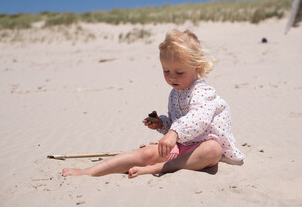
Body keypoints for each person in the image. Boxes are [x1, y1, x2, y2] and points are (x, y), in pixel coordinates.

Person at [62, 29, 245, 179]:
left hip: (202, 148)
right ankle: (91, 171)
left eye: (179, 72)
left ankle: (158, 168)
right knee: (146, 153)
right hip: (182, 145)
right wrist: (163, 124)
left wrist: (174, 132)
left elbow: (198, 120)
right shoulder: (175, 93)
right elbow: (177, 122)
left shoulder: (204, 92)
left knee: (213, 149)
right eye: (166, 71)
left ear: (196, 68)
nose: (172, 77)